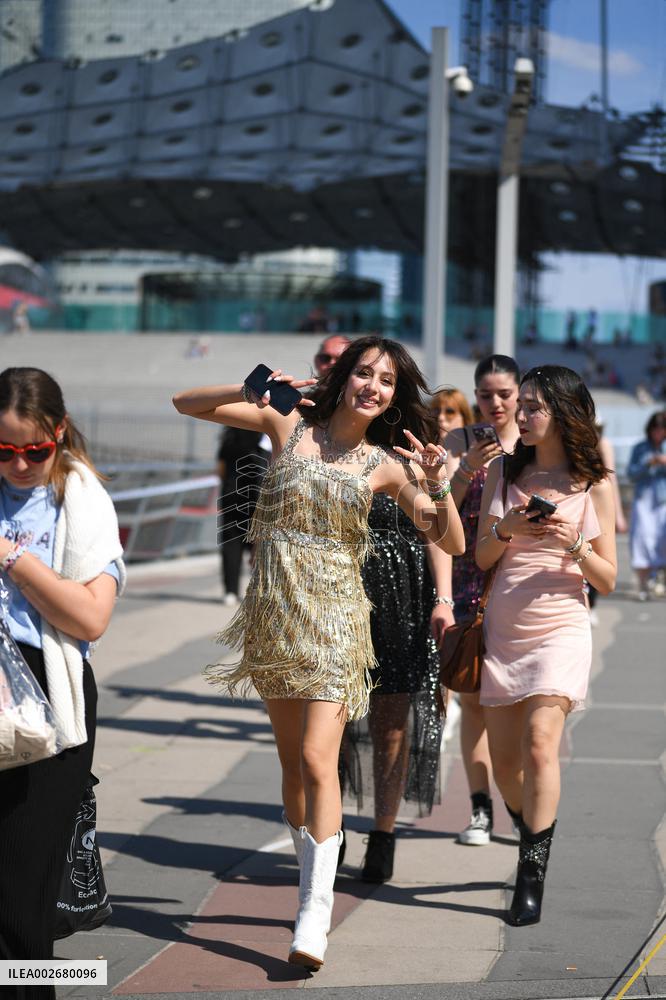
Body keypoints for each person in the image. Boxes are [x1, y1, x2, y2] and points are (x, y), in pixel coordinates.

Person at [173, 337, 464, 969]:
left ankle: (313, 912)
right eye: (365, 372)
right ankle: (313, 872)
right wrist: (249, 388)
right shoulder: (289, 422)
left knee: (315, 756)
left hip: (337, 619)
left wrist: (441, 487)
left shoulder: (387, 463)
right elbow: (185, 404)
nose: (374, 387)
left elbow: (452, 539)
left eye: (386, 381)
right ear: (343, 376)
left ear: (394, 396)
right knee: (291, 767)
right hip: (276, 618)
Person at [476, 365, 617, 926]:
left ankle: (530, 876)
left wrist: (576, 543)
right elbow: (484, 557)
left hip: (562, 623)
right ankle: (531, 829)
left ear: (562, 412)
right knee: (505, 764)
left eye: (533, 406)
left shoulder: (594, 481)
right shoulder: (506, 472)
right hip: (506, 624)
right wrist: (507, 528)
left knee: (540, 747)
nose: (521, 414)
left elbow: (607, 580)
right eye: (523, 405)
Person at [0, 366, 125, 997]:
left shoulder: (83, 502)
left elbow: (91, 616)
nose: (20, 464)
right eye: (5, 451)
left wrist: (12, 557)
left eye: (35, 450)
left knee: (25, 895)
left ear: (59, 433)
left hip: (51, 698)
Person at [442, 356, 521, 847]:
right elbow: (439, 508)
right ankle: (479, 810)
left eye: (504, 395)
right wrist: (466, 467)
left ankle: (521, 805)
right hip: (469, 581)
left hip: (516, 587)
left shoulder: (534, 442)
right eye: (485, 395)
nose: (494, 404)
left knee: (512, 706)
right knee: (472, 701)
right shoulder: (460, 441)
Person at [216, 427, 270, 605]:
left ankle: (230, 591)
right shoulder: (264, 439)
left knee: (231, 543)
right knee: (261, 544)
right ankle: (260, 588)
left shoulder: (229, 438)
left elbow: (220, 469)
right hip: (258, 498)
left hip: (231, 495)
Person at [627, 410, 666, 601]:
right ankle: (643, 583)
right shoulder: (640, 448)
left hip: (662, 500)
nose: (658, 433)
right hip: (644, 499)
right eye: (655, 429)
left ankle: (657, 578)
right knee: (641, 539)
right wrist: (648, 464)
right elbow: (631, 473)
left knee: (661, 540)